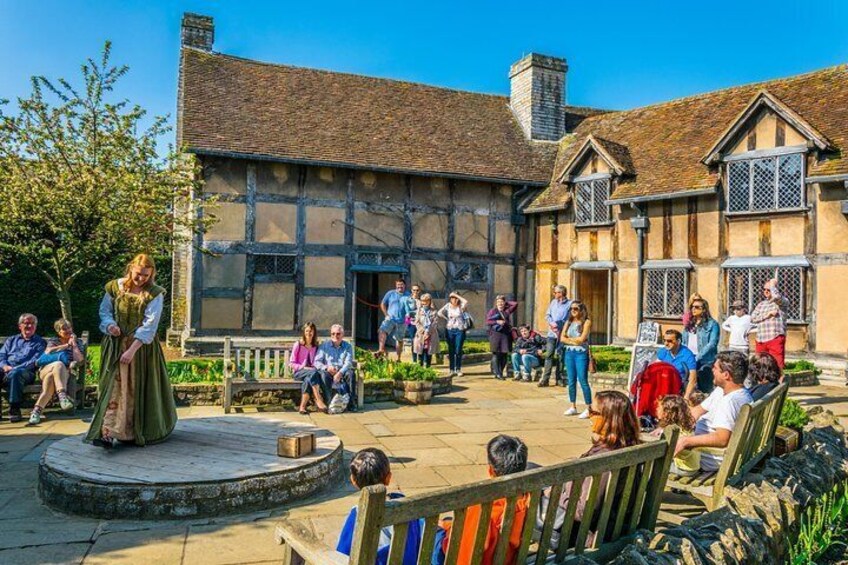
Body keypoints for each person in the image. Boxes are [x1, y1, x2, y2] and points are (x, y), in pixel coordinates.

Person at [86, 254, 178, 448]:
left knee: (135, 389)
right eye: (138, 274)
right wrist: (110, 326)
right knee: (113, 388)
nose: (141, 279)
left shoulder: (155, 293)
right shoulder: (114, 287)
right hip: (115, 345)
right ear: (130, 269)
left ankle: (134, 431)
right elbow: (105, 311)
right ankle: (107, 433)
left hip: (141, 350)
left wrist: (132, 350)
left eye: (146, 275)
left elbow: (150, 326)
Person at [535, 390, 640, 550]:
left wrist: (556, 493)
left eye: (593, 411)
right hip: (613, 524)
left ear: (608, 419)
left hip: (586, 534)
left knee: (522, 492)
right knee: (530, 468)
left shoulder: (605, 460)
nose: (589, 416)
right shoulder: (628, 447)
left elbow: (583, 512)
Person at [432, 435, 530, 565]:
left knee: (424, 527)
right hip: (508, 559)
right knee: (446, 523)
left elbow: (462, 555)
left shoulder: (482, 507)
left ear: (490, 470)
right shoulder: (528, 497)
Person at [337, 448, 422, 565]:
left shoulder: (357, 514)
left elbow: (341, 554)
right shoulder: (407, 507)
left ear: (353, 481)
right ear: (388, 478)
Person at [674, 351, 753, 472]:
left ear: (726, 375)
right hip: (704, 452)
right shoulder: (728, 392)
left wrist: (686, 441)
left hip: (707, 460)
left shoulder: (729, 402)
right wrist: (669, 424)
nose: (712, 370)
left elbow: (722, 439)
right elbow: (696, 412)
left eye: (715, 368)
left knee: (648, 460)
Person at [29, 319, 86, 425]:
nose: (68, 330)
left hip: (63, 373)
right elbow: (48, 351)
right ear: (58, 332)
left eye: (69, 328)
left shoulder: (78, 342)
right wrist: (66, 346)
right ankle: (62, 396)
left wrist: (73, 345)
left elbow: (80, 360)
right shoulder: (53, 340)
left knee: (51, 378)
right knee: (58, 364)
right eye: (64, 329)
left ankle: (36, 411)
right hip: (46, 369)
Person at [0, 313, 47, 423]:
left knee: (17, 373)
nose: (29, 326)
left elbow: (35, 361)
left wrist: (14, 368)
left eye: (32, 323)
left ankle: (14, 409)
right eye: (26, 323)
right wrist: (4, 366)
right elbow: (1, 355)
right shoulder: (11, 340)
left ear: (36, 326)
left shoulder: (40, 342)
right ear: (20, 326)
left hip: (26, 373)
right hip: (6, 370)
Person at [652, 395, 699, 477]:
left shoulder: (675, 432)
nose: (656, 409)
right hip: (692, 466)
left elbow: (668, 454)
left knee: (650, 465)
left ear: (667, 412)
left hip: (684, 469)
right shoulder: (682, 427)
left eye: (659, 407)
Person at [561, 301, 593, 419]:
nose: (573, 311)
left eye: (575, 309)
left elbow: (582, 339)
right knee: (571, 381)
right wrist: (573, 340)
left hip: (581, 353)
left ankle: (589, 407)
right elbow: (561, 338)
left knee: (583, 380)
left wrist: (570, 339)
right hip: (569, 352)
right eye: (571, 309)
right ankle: (573, 406)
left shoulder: (586, 322)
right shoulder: (568, 322)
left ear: (581, 310)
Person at [314, 324, 356, 412]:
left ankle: (351, 404)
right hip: (328, 371)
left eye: (338, 334)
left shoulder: (347, 346)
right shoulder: (324, 346)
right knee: (323, 375)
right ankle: (329, 403)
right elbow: (317, 362)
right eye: (333, 334)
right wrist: (327, 368)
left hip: (342, 371)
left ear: (342, 335)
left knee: (351, 373)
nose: (335, 336)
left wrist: (340, 373)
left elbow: (348, 363)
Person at [684, 297, 720, 394]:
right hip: (689, 358)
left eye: (697, 307)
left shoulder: (712, 324)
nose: (693, 309)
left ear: (704, 309)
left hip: (705, 360)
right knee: (688, 387)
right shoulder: (689, 324)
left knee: (705, 388)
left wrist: (698, 356)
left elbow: (712, 344)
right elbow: (684, 341)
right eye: (692, 307)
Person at [289, 322, 327, 415]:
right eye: (307, 331)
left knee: (308, 379)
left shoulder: (316, 346)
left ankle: (302, 407)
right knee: (313, 373)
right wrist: (303, 367)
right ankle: (318, 399)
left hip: (311, 373)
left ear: (314, 332)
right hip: (299, 372)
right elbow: (291, 363)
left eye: (311, 331)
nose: (309, 333)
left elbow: (318, 361)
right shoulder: (298, 344)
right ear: (304, 332)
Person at [538, 285, 571, 387]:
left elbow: (570, 319)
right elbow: (547, 315)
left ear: (561, 293)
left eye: (556, 292)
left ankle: (559, 378)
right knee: (549, 355)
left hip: (562, 334)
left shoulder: (570, 304)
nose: (554, 294)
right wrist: (552, 323)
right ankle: (545, 379)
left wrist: (560, 324)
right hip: (551, 334)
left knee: (561, 356)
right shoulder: (553, 302)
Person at [750, 278, 787, 369]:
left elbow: (777, 297)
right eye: (764, 289)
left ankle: (778, 382)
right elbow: (753, 318)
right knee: (760, 364)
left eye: (768, 289)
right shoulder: (761, 304)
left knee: (777, 363)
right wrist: (767, 315)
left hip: (774, 336)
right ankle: (762, 382)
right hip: (761, 338)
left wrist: (773, 285)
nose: (766, 291)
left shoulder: (782, 302)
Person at [656, 329, 698, 398]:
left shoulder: (688, 355)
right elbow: (655, 368)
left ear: (678, 341)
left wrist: (686, 397)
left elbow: (693, 379)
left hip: (679, 388)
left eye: (669, 341)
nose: (666, 343)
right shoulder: (663, 351)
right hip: (664, 385)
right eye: (664, 340)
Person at [486, 295, 519, 380]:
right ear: (496, 303)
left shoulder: (507, 311)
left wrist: (506, 302)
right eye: (498, 302)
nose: (500, 303)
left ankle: (500, 371)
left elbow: (515, 304)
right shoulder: (493, 311)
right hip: (495, 334)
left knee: (504, 354)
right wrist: (497, 321)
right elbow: (488, 321)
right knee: (496, 354)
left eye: (502, 302)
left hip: (505, 335)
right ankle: (498, 373)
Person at [378, 278, 411, 361]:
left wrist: (408, 323)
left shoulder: (408, 295)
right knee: (382, 330)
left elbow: (410, 309)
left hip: (402, 321)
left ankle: (398, 358)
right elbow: (382, 304)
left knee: (399, 339)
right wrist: (386, 315)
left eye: (401, 285)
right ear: (396, 285)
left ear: (404, 285)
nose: (400, 287)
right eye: (398, 285)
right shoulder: (390, 293)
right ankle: (381, 350)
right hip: (391, 318)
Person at [438, 292, 469, 377]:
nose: (454, 300)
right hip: (450, 329)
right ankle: (451, 369)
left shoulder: (461, 306)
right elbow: (439, 313)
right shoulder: (448, 305)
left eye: (455, 298)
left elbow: (466, 301)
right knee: (451, 350)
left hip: (460, 330)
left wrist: (457, 295)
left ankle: (458, 368)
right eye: (452, 298)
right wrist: (446, 318)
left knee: (458, 349)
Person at [413, 293, 440, 368]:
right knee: (420, 351)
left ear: (429, 301)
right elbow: (417, 322)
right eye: (422, 301)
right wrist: (422, 330)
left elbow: (435, 323)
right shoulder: (419, 311)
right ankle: (420, 367)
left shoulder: (434, 311)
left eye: (426, 301)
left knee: (429, 351)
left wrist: (428, 332)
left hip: (431, 334)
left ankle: (428, 366)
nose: (424, 302)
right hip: (421, 333)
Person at [404, 284, 423, 363]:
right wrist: (407, 323)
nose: (415, 292)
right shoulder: (408, 300)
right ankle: (414, 360)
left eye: (417, 290)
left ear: (419, 291)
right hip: (411, 322)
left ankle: (421, 359)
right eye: (414, 290)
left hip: (421, 323)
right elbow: (407, 312)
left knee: (421, 340)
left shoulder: (422, 300)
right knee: (413, 341)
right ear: (411, 290)